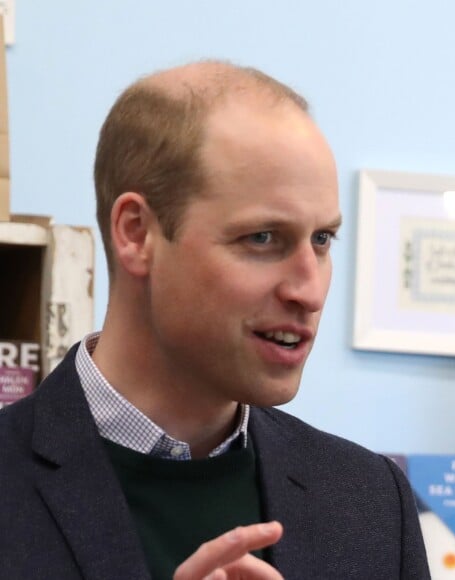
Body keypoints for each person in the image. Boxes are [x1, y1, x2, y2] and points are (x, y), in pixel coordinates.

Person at [0, 61, 430, 579]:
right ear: (137, 234)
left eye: (321, 240)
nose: (309, 291)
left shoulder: (372, 503)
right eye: (263, 238)